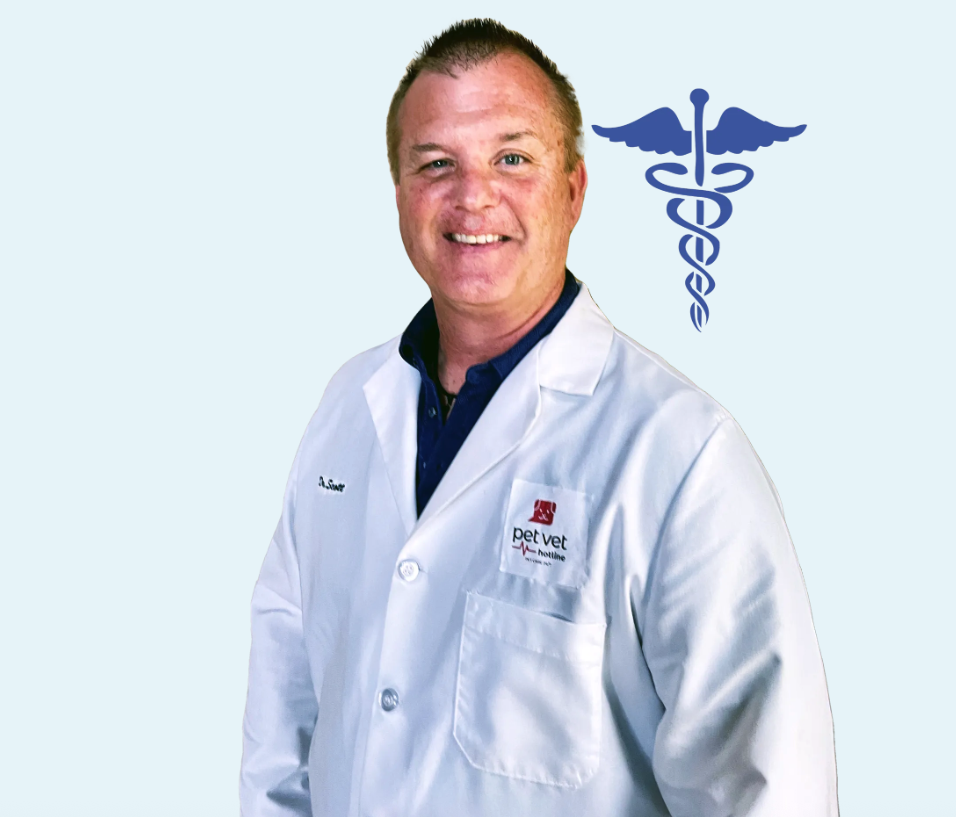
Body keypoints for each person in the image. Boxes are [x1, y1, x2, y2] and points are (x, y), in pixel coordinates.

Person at [239, 18, 838, 817]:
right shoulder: (347, 409)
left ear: (574, 190)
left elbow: (769, 790)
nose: (473, 195)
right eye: (436, 163)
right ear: (400, 195)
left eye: (512, 159)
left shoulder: (679, 454)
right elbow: (283, 726)